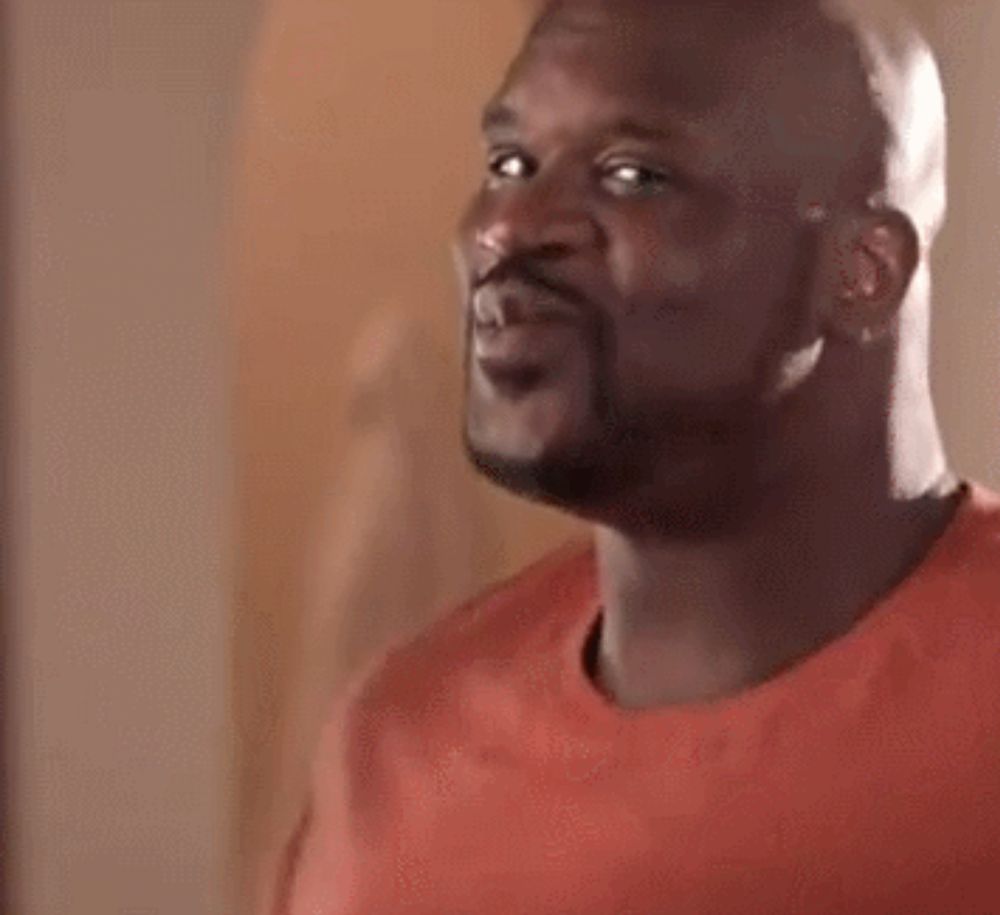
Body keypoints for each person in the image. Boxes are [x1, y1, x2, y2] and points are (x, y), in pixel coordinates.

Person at [268, 0, 1000, 911]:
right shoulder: (393, 749)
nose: (507, 228)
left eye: (632, 176)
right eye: (509, 163)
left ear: (863, 271)